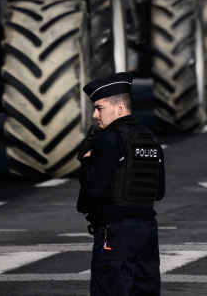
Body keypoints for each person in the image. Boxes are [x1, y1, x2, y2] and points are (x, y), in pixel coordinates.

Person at [77, 72, 165, 296]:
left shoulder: (110, 139)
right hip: (147, 231)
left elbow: (95, 190)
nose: (95, 115)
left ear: (119, 109)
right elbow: (159, 191)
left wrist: (86, 161)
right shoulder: (150, 138)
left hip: (116, 232)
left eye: (99, 108)